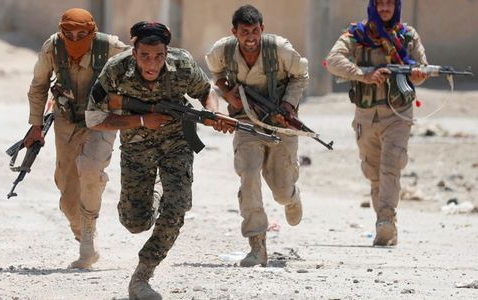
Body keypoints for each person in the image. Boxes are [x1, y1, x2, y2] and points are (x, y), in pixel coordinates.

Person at [86, 21, 228, 300]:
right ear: (134, 51)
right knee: (134, 223)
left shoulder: (183, 64)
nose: (152, 64)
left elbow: (206, 91)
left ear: (167, 51)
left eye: (159, 56)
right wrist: (140, 119)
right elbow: (94, 118)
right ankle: (157, 192)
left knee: (177, 207)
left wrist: (213, 112)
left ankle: (142, 276)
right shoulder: (116, 69)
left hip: (178, 143)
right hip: (137, 149)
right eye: (145, 56)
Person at [24, 8, 134, 269]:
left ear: (92, 32)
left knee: (90, 169)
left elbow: (141, 64)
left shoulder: (108, 46)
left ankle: (87, 241)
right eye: (69, 33)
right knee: (67, 189)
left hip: (102, 119)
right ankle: (83, 231)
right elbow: (38, 86)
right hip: (66, 119)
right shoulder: (53, 47)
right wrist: (35, 125)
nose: (74, 39)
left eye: (82, 34)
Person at [205, 4, 309, 267]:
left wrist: (287, 106)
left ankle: (292, 197)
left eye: (254, 31)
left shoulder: (280, 50)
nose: (250, 38)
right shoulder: (222, 51)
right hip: (245, 122)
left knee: (281, 191)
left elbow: (300, 75)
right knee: (249, 175)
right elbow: (216, 74)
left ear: (262, 29)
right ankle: (257, 245)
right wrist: (228, 94)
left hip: (278, 123)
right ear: (234, 32)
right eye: (244, 32)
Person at [326, 0, 427, 246]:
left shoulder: (407, 36)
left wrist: (417, 74)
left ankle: (386, 221)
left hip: (398, 114)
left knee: (391, 164)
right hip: (366, 114)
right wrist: (364, 75)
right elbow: (333, 60)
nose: (384, 9)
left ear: (396, 6)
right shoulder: (357, 35)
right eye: (380, 4)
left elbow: (422, 68)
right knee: (373, 173)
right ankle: (386, 226)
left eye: (389, 4)